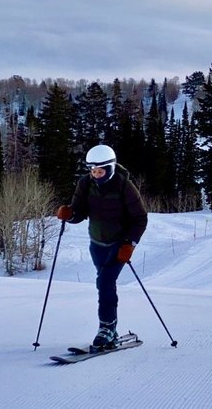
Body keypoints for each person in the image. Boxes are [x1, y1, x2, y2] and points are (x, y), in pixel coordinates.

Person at [56, 144, 148, 349]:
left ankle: (106, 328)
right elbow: (79, 212)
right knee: (104, 283)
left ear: (110, 168)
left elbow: (140, 218)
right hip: (97, 244)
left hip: (119, 243)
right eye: (92, 171)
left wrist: (130, 244)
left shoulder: (125, 186)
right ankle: (111, 329)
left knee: (105, 281)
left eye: (100, 171)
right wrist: (68, 214)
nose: (96, 175)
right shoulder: (85, 184)